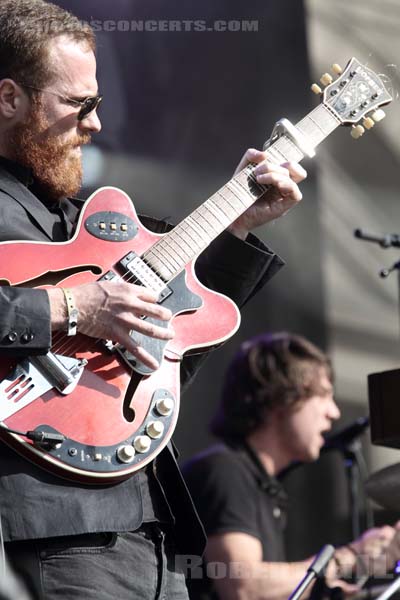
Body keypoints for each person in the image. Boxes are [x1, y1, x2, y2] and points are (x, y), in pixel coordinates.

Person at [0, 2, 307, 599]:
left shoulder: (84, 219)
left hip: (153, 531)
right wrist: (73, 308)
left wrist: (240, 229)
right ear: (8, 97)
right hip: (51, 533)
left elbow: (172, 347)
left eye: (98, 103)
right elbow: (77, 313)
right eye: (78, 104)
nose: (94, 123)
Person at [182, 332, 400, 600]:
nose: (334, 412)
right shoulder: (223, 470)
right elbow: (243, 586)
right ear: (283, 398)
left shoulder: (260, 485)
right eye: (323, 395)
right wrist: (349, 557)